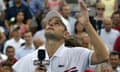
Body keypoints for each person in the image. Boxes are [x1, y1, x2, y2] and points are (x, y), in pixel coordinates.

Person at [12, 0, 109, 72]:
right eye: (49, 22)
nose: (50, 24)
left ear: (66, 34)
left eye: (57, 23)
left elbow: (103, 56)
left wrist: (87, 24)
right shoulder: (30, 58)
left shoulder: (77, 54)